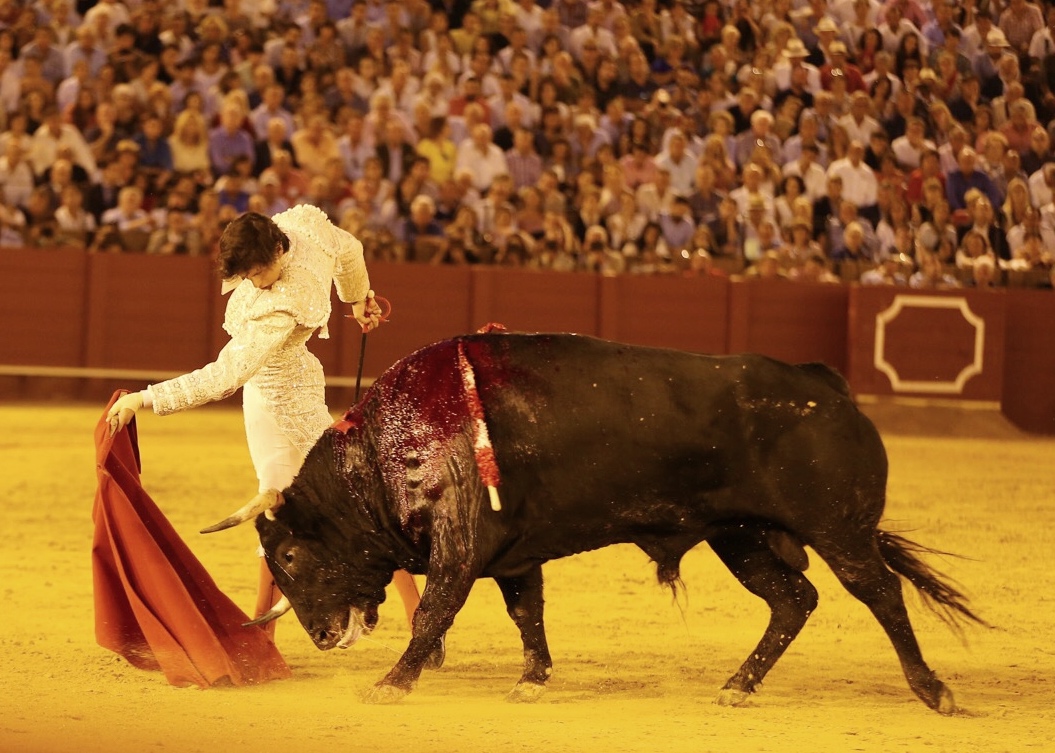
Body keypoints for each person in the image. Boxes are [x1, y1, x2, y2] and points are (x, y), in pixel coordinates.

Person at [105, 207, 428, 652]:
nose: (255, 283)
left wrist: (144, 399)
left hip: (282, 400)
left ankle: (415, 622)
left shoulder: (283, 304)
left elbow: (226, 375)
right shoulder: (303, 230)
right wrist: (357, 299)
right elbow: (348, 248)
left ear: (279, 249)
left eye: (259, 272)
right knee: (310, 501)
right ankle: (278, 634)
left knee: (349, 504)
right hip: (277, 395)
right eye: (247, 275)